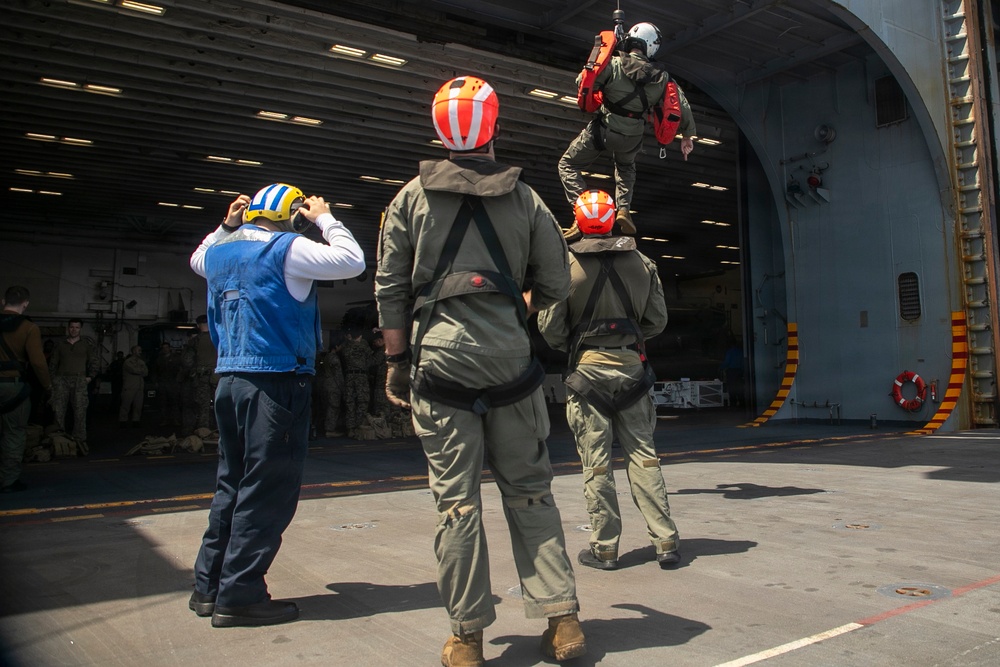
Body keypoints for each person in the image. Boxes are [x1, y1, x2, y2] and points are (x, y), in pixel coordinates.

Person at [375, 75, 586, 666]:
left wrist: (397, 363)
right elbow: (558, 281)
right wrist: (515, 309)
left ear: (440, 129)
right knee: (529, 492)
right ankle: (562, 619)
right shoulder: (526, 200)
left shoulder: (409, 199)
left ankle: (466, 636)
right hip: (511, 366)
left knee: (457, 504)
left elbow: (390, 289)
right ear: (492, 127)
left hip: (439, 365)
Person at [188, 183, 365, 628]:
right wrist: (326, 218)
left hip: (230, 380)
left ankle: (208, 588)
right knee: (267, 491)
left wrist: (225, 224)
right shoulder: (288, 249)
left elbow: (198, 255)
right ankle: (241, 595)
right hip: (277, 382)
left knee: (231, 483)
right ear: (293, 215)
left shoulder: (218, 254)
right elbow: (353, 260)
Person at [538, 189, 681, 571]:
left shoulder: (562, 266)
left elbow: (551, 329)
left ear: (579, 220)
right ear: (615, 217)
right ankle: (665, 541)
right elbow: (657, 322)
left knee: (597, 465)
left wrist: (582, 344)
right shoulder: (643, 263)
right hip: (633, 371)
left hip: (587, 376)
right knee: (644, 458)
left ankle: (605, 549)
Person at [558, 21, 697, 239]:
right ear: (651, 47)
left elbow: (582, 81)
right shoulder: (662, 78)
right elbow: (682, 105)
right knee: (625, 170)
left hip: (604, 130)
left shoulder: (613, 64)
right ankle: (623, 210)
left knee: (567, 164)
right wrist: (687, 136)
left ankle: (585, 210)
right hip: (632, 136)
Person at [0, 286, 51, 493]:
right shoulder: (29, 328)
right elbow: (38, 363)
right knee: (14, 434)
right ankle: (8, 481)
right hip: (14, 389)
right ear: (26, 303)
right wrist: (48, 386)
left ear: (4, 301)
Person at [48, 317, 98, 454]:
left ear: (80, 329)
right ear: (68, 328)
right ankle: (58, 440)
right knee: (58, 410)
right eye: (71, 327)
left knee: (80, 411)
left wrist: (90, 377)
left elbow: (94, 362)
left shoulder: (86, 345)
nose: (74, 330)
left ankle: (79, 441)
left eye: (76, 327)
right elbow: (53, 363)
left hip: (79, 379)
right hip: (61, 379)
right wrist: (53, 380)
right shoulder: (60, 344)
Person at [190, 314, 219, 431]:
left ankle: (204, 431)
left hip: (202, 377)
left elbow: (187, 361)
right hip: (218, 376)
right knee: (220, 404)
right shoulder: (219, 339)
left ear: (198, 325)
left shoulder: (195, 341)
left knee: (203, 405)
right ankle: (220, 430)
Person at [340, 330, 371, 438]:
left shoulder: (347, 346)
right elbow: (370, 357)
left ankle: (355, 428)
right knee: (355, 403)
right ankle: (356, 428)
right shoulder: (361, 346)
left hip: (353, 376)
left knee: (355, 403)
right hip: (359, 376)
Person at [152, 342, 183, 430]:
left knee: (175, 402)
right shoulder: (159, 359)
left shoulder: (176, 358)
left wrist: (178, 380)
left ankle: (175, 419)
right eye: (164, 348)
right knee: (163, 402)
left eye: (167, 347)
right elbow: (155, 371)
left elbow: (180, 370)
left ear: (169, 348)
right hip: (163, 382)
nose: (165, 349)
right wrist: (155, 382)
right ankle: (164, 419)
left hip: (173, 382)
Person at [119, 345, 148, 428]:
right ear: (134, 351)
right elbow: (134, 370)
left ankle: (136, 420)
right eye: (139, 350)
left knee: (138, 406)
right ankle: (123, 420)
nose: (140, 352)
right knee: (125, 405)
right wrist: (140, 369)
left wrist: (140, 369)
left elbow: (146, 373)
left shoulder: (141, 362)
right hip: (129, 387)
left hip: (139, 387)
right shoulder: (128, 362)